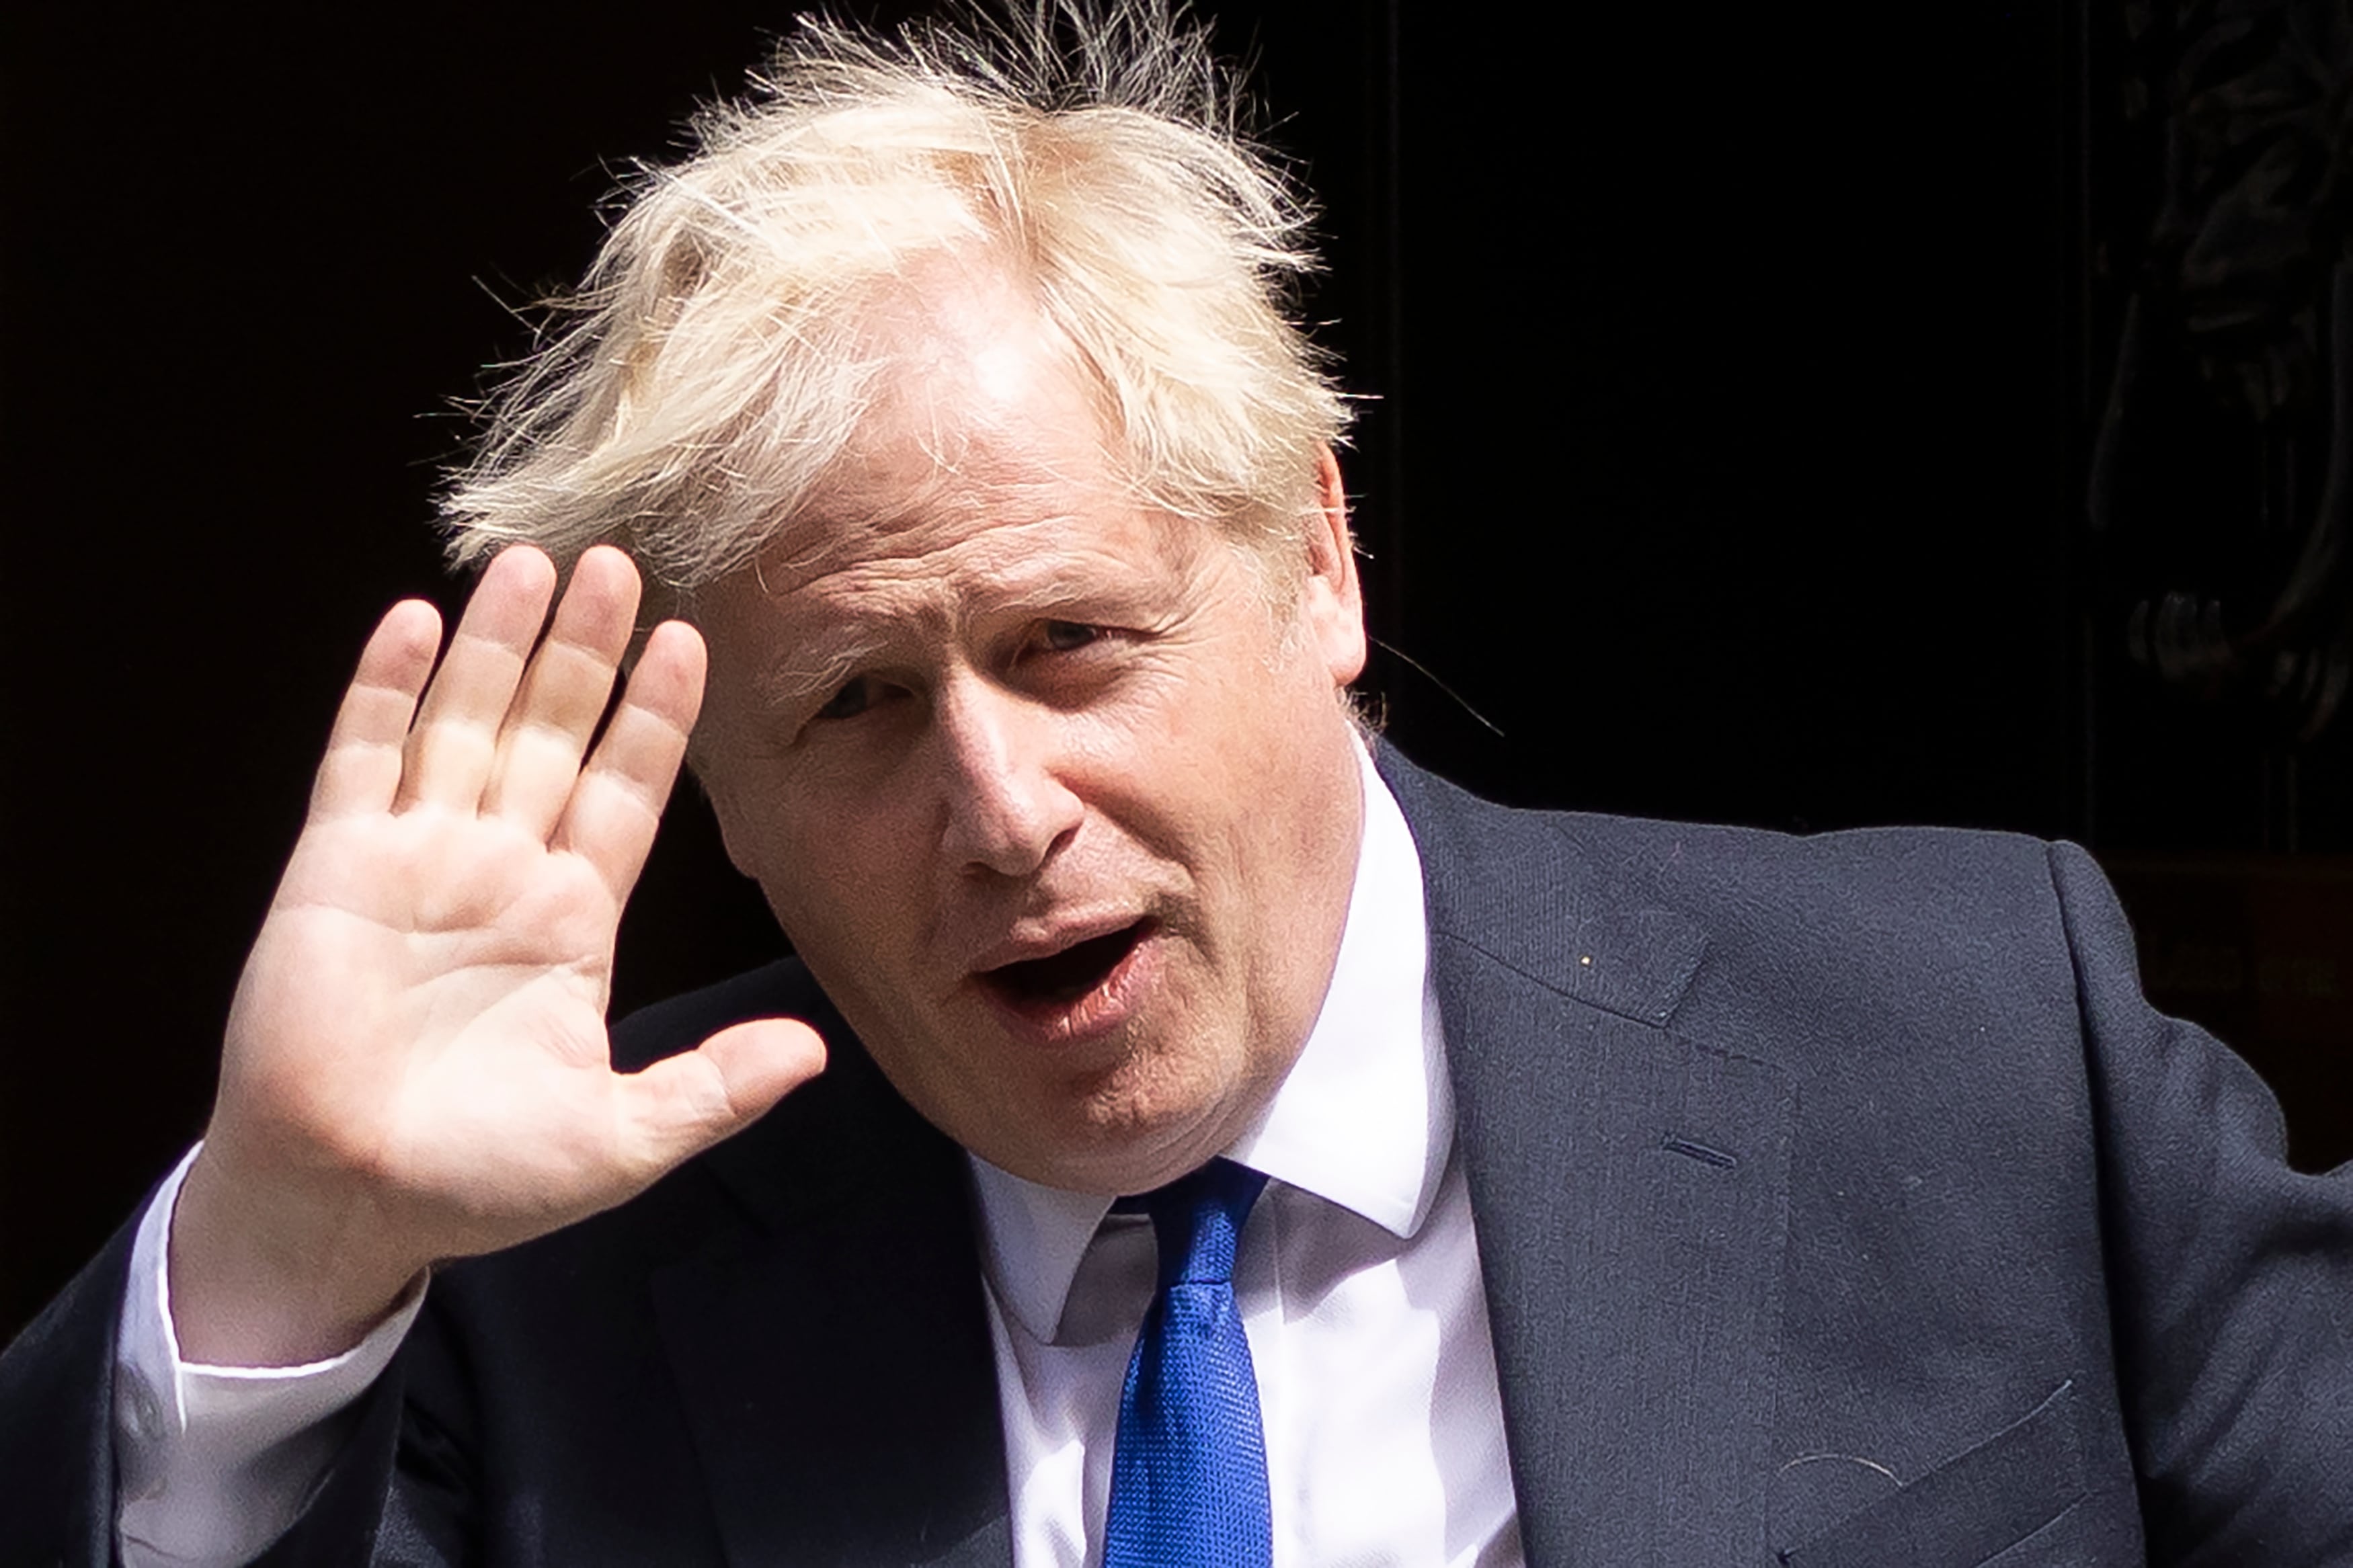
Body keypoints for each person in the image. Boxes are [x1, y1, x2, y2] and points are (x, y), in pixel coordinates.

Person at [5, 5, 2352, 1565]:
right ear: (712, 791)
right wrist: (299, 1248)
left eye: (1069, 644)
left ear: (1318, 556)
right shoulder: (539, 1272)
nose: (1004, 806)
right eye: (850, 709)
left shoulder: (1963, 1046)